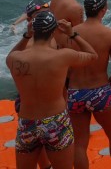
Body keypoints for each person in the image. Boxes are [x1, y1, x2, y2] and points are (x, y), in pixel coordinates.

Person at [7, 11, 98, 169]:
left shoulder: (15, 59)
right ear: (54, 31)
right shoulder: (63, 56)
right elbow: (92, 55)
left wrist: (26, 36)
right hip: (56, 122)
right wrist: (72, 33)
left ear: (33, 30)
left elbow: (10, 55)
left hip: (27, 123)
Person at [68, 0, 111, 169]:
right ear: (104, 10)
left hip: (75, 92)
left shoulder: (71, 33)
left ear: (85, 10)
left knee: (79, 143)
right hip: (100, 90)